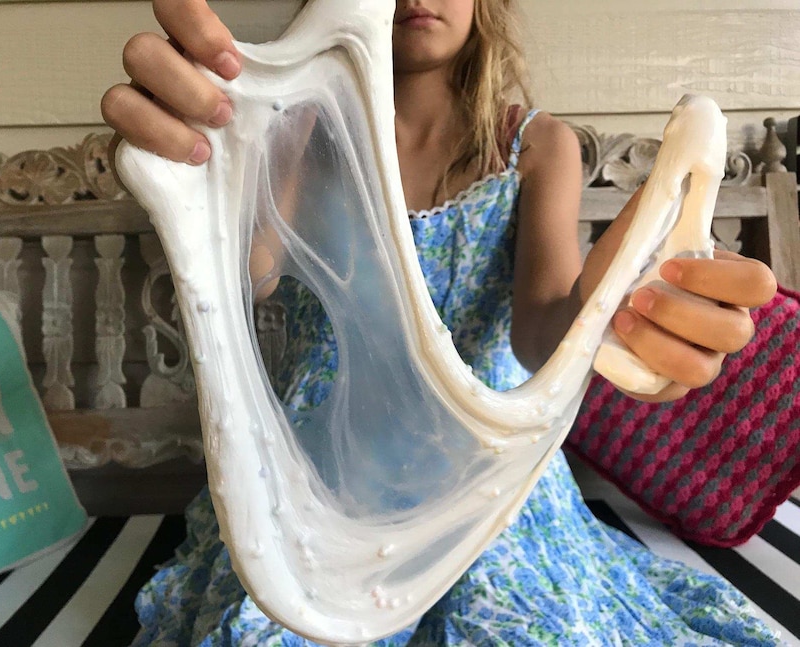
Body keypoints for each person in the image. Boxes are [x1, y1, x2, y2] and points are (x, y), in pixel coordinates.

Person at [102, 1, 781, 644]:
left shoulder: (536, 144)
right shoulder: (302, 128)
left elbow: (539, 334)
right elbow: (250, 272)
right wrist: (210, 166)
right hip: (321, 485)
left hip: (486, 480)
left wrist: (618, 311)